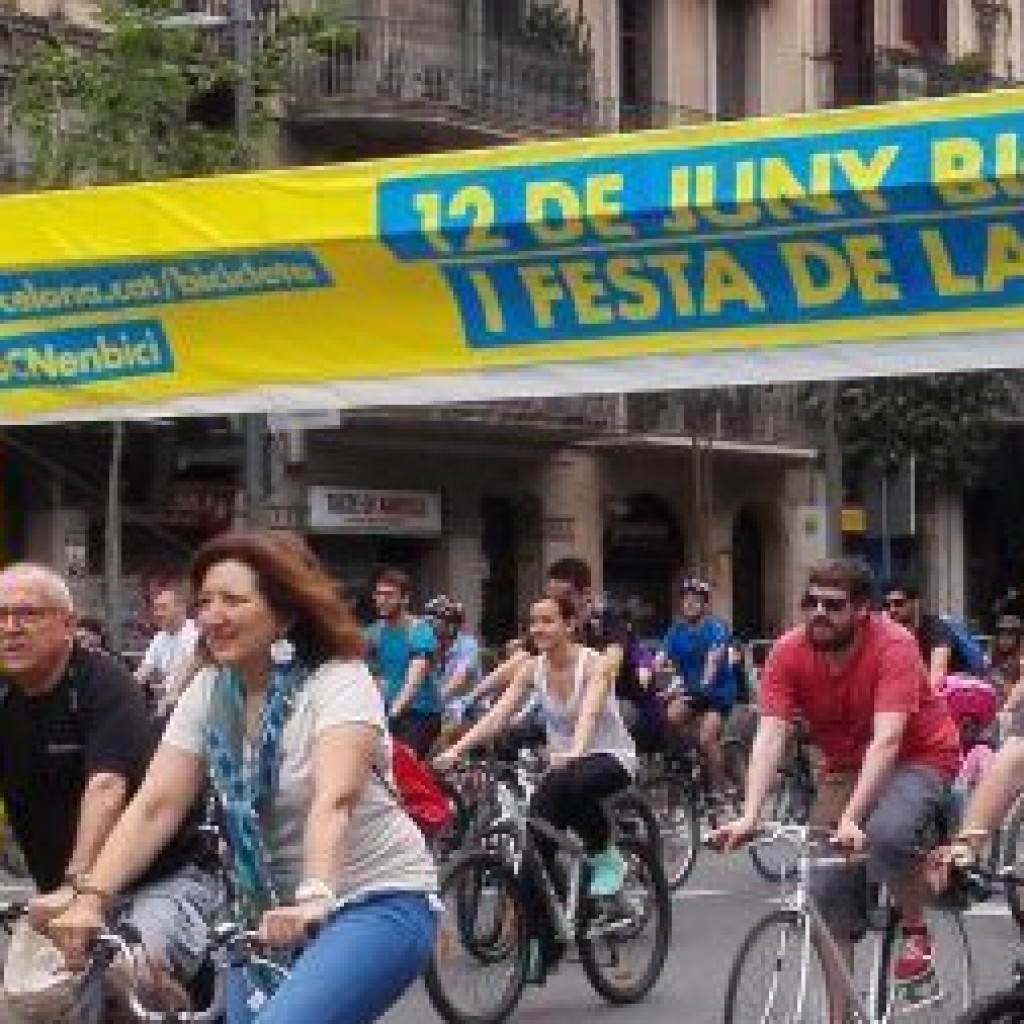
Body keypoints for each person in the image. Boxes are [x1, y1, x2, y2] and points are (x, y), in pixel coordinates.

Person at [47, 530, 438, 1024]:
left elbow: (334, 800)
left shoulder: (339, 679)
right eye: (205, 601)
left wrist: (315, 896)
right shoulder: (211, 690)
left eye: (232, 601)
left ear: (286, 613)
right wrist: (91, 898)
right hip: (262, 915)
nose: (212, 616)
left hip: (374, 900)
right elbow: (156, 806)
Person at [711, 558, 961, 1024]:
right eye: (811, 602)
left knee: (887, 833)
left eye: (834, 605)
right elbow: (770, 735)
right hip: (845, 766)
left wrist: (852, 817)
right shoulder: (788, 651)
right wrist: (750, 814)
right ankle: (838, 1017)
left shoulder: (895, 644)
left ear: (863, 610)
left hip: (919, 756)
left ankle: (915, 933)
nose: (819, 613)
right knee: (825, 890)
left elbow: (888, 740)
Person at [0, 563, 218, 1016]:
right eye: (1, 615)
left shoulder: (102, 682)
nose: (11, 627)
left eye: (27, 614)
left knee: (128, 975)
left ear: (68, 625)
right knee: (34, 1004)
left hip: (158, 879)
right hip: (65, 897)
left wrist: (78, 884)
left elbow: (106, 785)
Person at [435, 593, 636, 982]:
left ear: (569, 625)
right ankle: (544, 944)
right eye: (533, 622)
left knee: (571, 782)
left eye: (547, 621)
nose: (538, 629)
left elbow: (591, 709)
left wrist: (576, 749)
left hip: (609, 757)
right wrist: (457, 749)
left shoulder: (593, 664)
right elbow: (500, 714)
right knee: (532, 855)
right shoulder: (533, 669)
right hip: (563, 769)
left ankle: (607, 855)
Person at [656, 576, 737, 799]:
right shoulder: (675, 631)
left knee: (706, 738)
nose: (689, 604)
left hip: (718, 694)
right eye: (685, 600)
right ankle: (684, 769)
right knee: (668, 719)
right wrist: (650, 677)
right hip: (692, 693)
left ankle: (719, 789)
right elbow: (659, 660)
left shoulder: (716, 629)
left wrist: (705, 683)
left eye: (695, 600)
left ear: (705, 604)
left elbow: (713, 659)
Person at [364, 568, 443, 758]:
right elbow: (374, 677)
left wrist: (392, 714)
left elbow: (413, 682)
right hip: (386, 713)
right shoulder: (373, 633)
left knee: (402, 764)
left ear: (405, 599)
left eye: (389, 595)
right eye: (379, 594)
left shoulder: (420, 631)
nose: (382, 600)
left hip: (419, 715)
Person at [881, 577, 964, 690]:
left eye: (898, 603)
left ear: (915, 603)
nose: (892, 610)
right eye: (887, 605)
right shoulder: (891, 633)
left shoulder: (936, 629)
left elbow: (937, 677)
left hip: (955, 693)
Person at [135, 584, 199, 713]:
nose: (158, 614)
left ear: (181, 608)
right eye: (156, 609)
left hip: (192, 701)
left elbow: (187, 672)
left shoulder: (196, 634)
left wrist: (169, 699)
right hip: (169, 702)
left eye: (163, 608)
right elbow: (143, 672)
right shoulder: (159, 638)